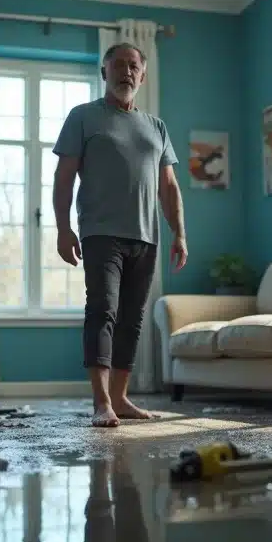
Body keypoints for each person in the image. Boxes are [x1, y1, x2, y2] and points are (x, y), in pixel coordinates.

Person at [51, 42, 188, 428]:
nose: (126, 72)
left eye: (134, 67)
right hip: (99, 233)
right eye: (118, 66)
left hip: (146, 237)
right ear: (104, 72)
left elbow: (169, 186)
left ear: (142, 76)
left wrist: (180, 233)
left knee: (132, 318)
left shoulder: (157, 127)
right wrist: (63, 229)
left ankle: (120, 398)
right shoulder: (83, 117)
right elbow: (63, 178)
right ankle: (100, 403)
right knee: (103, 311)